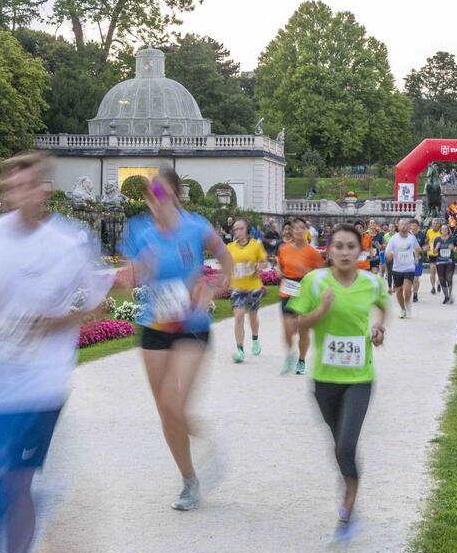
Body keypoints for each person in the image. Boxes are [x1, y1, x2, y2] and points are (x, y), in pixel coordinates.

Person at [0, 152, 113, 553]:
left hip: (40, 387)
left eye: (28, 186)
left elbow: (96, 306)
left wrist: (53, 322)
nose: (19, 195)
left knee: (17, 482)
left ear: (45, 190)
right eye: (12, 188)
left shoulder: (70, 242)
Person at [119, 168, 234, 511]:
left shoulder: (196, 226)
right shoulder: (138, 230)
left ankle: (205, 445)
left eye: (160, 191)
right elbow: (130, 276)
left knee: (175, 405)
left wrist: (214, 285)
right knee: (166, 413)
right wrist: (139, 270)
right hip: (154, 326)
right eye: (149, 193)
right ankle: (189, 479)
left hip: (192, 325)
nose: (154, 198)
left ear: (174, 193)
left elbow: (226, 260)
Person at [287, 223, 388, 545]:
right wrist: (322, 309)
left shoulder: (372, 282)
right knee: (339, 446)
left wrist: (379, 329)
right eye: (339, 247)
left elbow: (383, 308)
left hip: (360, 379)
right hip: (325, 380)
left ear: (361, 251)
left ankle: (349, 505)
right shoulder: (314, 282)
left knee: (346, 445)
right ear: (328, 250)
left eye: (351, 247)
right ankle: (349, 483)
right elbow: (294, 325)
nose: (345, 252)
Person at [277, 216, 325, 375]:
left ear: (306, 231)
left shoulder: (312, 252)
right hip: (288, 289)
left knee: (303, 329)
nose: (297, 230)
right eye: (294, 227)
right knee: (288, 329)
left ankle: (302, 360)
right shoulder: (284, 249)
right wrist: (278, 271)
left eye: (300, 227)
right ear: (291, 231)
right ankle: (290, 353)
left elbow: (322, 273)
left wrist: (306, 272)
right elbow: (280, 265)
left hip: (305, 290)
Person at [227, 218, 269, 363]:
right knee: (238, 317)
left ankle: (255, 338)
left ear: (247, 230)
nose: (237, 231)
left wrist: (256, 266)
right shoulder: (230, 247)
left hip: (253, 287)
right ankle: (240, 350)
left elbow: (264, 263)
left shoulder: (255, 245)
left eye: (241, 228)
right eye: (235, 229)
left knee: (252, 317)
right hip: (237, 287)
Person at [384, 219, 420, 318]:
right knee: (399, 291)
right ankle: (403, 309)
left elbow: (417, 248)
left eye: (406, 224)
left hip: (409, 267)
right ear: (398, 227)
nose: (404, 226)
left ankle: (407, 301)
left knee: (407, 290)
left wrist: (416, 257)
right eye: (402, 224)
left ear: (408, 226)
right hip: (397, 268)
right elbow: (387, 252)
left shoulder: (412, 238)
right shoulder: (393, 239)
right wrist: (389, 256)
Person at [431, 223, 457, 304]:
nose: (444, 230)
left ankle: (450, 295)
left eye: (446, 229)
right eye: (442, 229)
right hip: (440, 262)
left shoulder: (452, 238)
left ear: (448, 230)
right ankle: (446, 296)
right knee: (442, 279)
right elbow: (434, 252)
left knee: (449, 278)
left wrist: (453, 248)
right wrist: (437, 247)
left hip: (450, 261)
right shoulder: (437, 239)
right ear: (440, 230)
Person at [410, 219, 427, 302]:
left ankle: (415, 294)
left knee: (416, 278)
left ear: (417, 226)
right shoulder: (407, 235)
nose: (413, 227)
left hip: (418, 260)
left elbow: (425, 247)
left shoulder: (422, 236)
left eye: (414, 226)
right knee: (409, 278)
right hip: (407, 259)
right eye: (411, 225)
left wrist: (421, 249)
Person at [425, 219, 442, 294]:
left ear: (439, 225)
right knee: (432, 270)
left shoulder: (441, 232)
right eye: (433, 223)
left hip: (440, 254)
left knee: (439, 271)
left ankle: (439, 283)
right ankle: (433, 287)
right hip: (431, 253)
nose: (435, 225)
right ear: (431, 224)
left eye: (436, 223)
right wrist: (427, 247)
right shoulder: (429, 231)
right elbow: (426, 240)